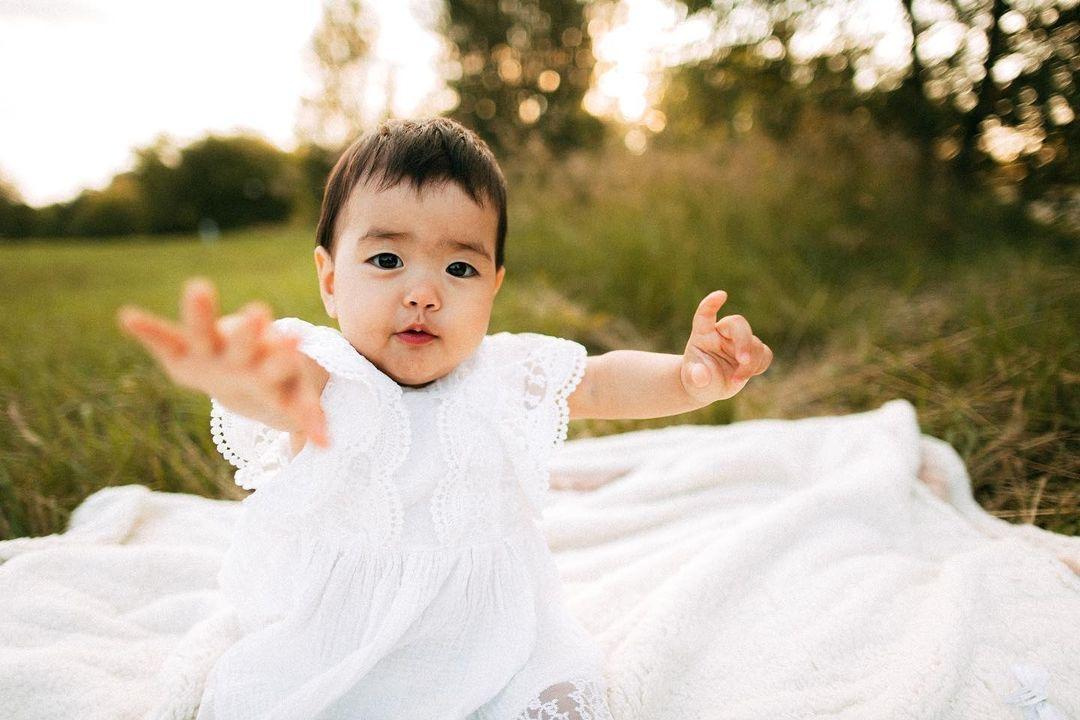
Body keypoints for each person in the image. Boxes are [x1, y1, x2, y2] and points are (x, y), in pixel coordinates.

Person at [117, 116, 772, 720]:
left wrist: (687, 379)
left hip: (496, 634)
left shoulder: (508, 370)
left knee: (559, 697)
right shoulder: (325, 368)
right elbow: (276, 389)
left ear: (493, 286)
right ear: (329, 278)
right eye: (386, 260)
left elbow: (600, 380)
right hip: (342, 636)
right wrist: (234, 375)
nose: (424, 293)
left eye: (459, 267)